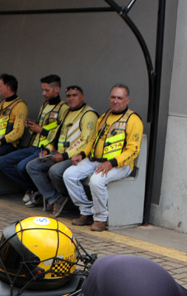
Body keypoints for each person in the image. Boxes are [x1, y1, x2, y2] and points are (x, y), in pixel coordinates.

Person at [62, 84, 144, 232]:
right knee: (69, 174)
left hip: (120, 165)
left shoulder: (133, 120)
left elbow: (133, 150)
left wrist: (111, 163)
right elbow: (93, 140)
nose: (115, 101)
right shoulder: (105, 116)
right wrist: (81, 154)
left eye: (120, 98)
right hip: (96, 161)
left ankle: (100, 218)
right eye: (113, 97)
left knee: (96, 181)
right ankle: (86, 211)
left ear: (128, 100)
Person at [26, 85, 98, 217]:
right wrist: (48, 149)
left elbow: (86, 142)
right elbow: (57, 136)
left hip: (76, 157)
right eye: (68, 96)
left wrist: (64, 156)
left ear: (82, 97)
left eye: (74, 95)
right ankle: (56, 198)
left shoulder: (88, 115)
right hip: (59, 153)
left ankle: (66, 199)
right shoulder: (67, 112)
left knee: (55, 171)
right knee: (32, 166)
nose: (71, 98)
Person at [0, 74, 67, 205]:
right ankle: (32, 189)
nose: (43, 93)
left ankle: (38, 191)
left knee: (23, 166)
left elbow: (61, 134)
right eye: (43, 90)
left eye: (47, 90)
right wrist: (30, 126)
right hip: (33, 146)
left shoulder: (63, 109)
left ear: (57, 90)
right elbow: (39, 128)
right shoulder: (44, 106)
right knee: (3, 161)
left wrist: (41, 130)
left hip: (46, 149)